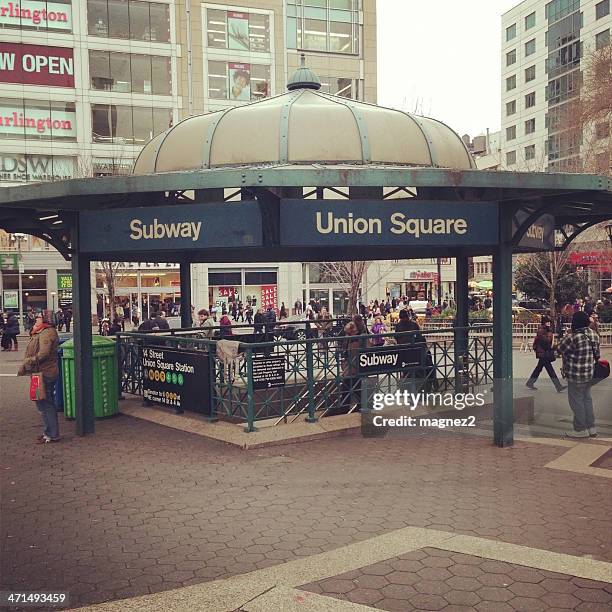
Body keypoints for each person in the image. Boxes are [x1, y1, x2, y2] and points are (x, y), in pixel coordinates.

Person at [17, 312, 61, 443]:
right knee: (43, 403)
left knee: (45, 404)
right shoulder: (41, 332)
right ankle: (48, 431)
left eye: (39, 318)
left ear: (46, 321)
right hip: (41, 372)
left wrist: (29, 361)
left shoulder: (47, 333)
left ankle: (52, 434)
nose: (36, 320)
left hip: (44, 373)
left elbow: (44, 353)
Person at [557, 311, 600, 438]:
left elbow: (560, 349)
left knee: (577, 402)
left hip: (575, 375)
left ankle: (580, 429)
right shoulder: (594, 335)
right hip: (589, 374)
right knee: (587, 400)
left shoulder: (572, 337)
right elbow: (597, 355)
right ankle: (592, 428)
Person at [526, 316, 566, 392]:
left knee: (538, 368)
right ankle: (558, 386)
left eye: (549, 322)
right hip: (543, 352)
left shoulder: (547, 330)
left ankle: (530, 382)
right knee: (550, 370)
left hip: (544, 352)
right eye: (547, 322)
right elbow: (545, 341)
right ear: (544, 322)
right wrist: (551, 336)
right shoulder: (541, 330)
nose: (548, 323)